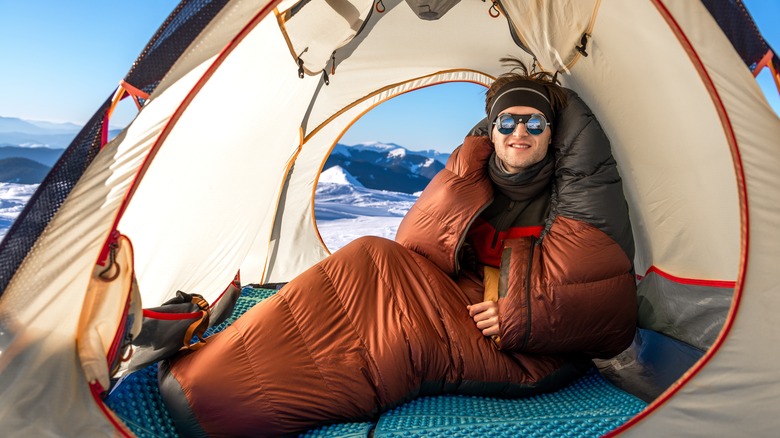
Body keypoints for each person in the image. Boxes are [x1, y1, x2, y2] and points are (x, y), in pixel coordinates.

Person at [158, 58, 637, 437]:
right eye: (508, 122)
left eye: (535, 125)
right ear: (491, 130)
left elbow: (608, 309)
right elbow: (415, 245)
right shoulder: (474, 174)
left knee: (392, 336)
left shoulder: (573, 197)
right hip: (465, 296)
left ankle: (215, 403)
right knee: (369, 257)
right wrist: (462, 184)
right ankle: (211, 360)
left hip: (529, 337)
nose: (519, 134)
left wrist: (522, 311)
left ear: (553, 136)